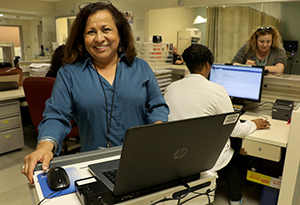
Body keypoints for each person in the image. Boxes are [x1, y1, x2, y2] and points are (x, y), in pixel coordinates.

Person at [21, 2, 169, 184]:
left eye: (106, 29)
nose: (99, 38)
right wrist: (45, 146)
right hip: (93, 164)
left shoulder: (140, 68)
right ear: (82, 38)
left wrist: (157, 128)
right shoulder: (70, 74)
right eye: (91, 32)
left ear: (119, 33)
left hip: (141, 158)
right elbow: (56, 116)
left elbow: (157, 106)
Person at [164, 44, 270, 205]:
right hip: (203, 157)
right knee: (233, 153)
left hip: (177, 154)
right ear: (208, 64)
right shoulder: (217, 90)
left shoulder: (171, 88)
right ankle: (236, 199)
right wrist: (253, 124)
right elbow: (235, 130)